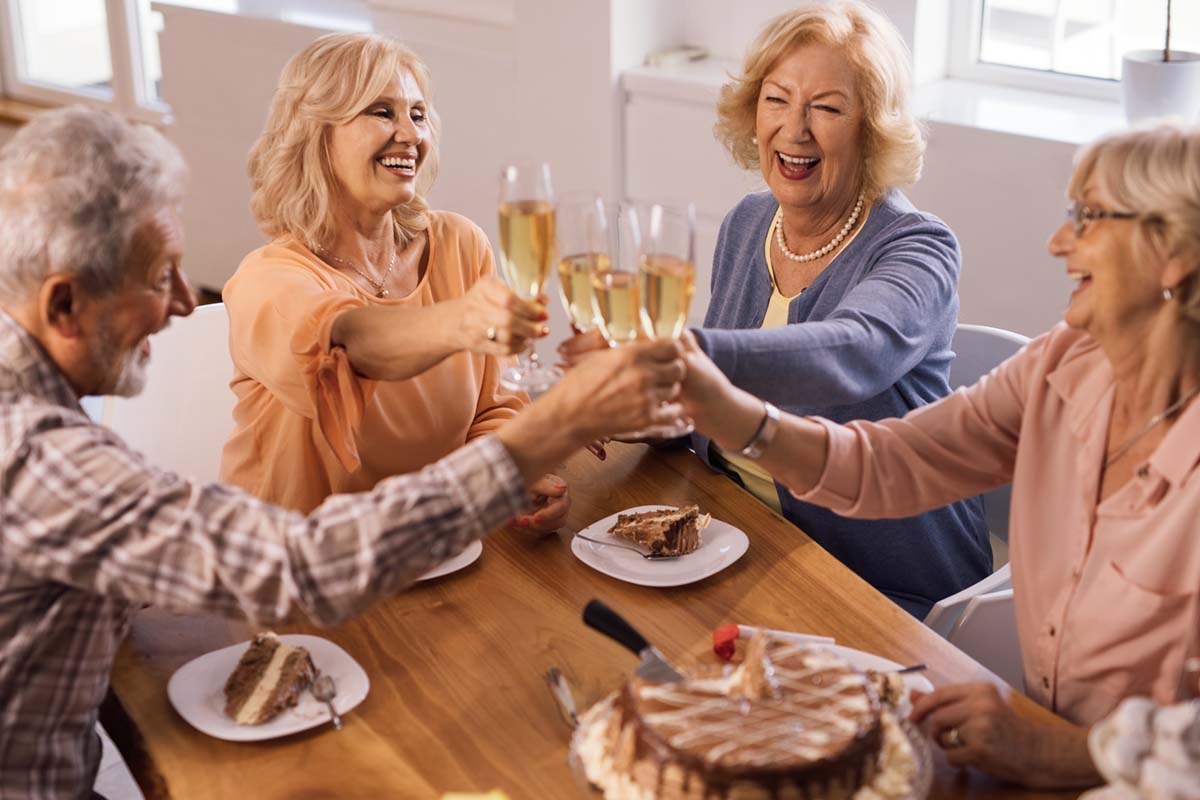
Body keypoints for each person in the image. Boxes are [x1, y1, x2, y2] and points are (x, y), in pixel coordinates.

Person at [0, 106, 684, 800]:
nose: (184, 302)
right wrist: (550, 430)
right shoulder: (39, 458)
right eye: (158, 277)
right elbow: (304, 565)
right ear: (62, 307)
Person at [676, 120, 1200, 788]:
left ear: (1175, 252)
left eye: (1090, 217)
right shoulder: (1063, 366)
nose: (1058, 241)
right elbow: (891, 462)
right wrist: (735, 416)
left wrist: (1062, 753)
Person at [563, 0, 989, 618]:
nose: (795, 129)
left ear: (872, 128)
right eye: (777, 99)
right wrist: (640, 408)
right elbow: (719, 411)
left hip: (881, 581)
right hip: (748, 541)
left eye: (827, 107)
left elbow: (853, 349)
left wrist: (681, 356)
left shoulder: (918, 245)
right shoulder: (749, 223)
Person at [220, 33, 568, 528]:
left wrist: (513, 477)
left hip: (432, 543)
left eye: (419, 114)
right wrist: (463, 323)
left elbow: (495, 409)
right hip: (299, 566)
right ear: (316, 133)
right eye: (382, 112)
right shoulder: (269, 281)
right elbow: (351, 343)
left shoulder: (459, 245)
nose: (411, 134)